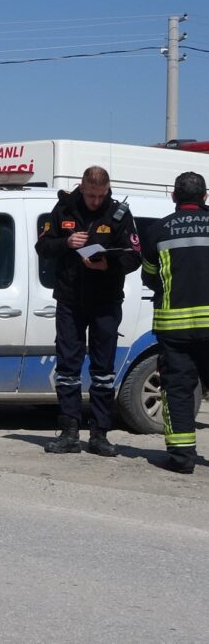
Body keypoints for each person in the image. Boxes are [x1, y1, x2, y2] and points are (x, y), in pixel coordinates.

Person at [34, 166, 141, 456]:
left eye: (101, 195)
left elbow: (134, 257)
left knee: (103, 370)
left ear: (108, 190)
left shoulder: (119, 214)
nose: (96, 201)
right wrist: (66, 242)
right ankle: (69, 431)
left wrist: (109, 265)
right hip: (70, 300)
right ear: (82, 188)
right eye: (91, 195)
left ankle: (99, 434)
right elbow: (42, 247)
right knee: (68, 367)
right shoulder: (64, 209)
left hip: (106, 301)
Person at [140, 171, 209, 474]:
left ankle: (182, 459)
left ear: (174, 197)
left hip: (174, 328)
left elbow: (149, 276)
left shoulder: (158, 230)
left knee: (178, 391)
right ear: (205, 197)